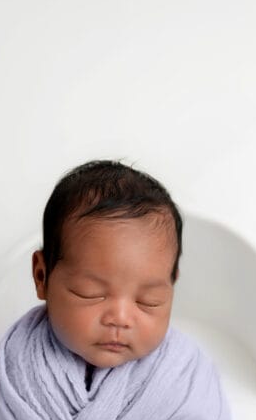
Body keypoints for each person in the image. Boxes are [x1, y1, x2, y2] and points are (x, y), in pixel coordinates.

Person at [31, 157, 183, 393]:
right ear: (42, 277)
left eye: (149, 301)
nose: (120, 318)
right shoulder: (21, 369)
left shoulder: (184, 375)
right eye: (90, 293)